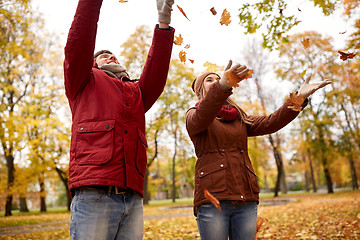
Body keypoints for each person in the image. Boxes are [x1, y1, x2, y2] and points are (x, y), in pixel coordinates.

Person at [63, 0, 175, 239]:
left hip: (132, 197)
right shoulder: (83, 80)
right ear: (92, 64)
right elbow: (79, 41)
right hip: (94, 193)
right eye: (103, 56)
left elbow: (156, 71)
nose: (110, 55)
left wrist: (163, 22)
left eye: (112, 54)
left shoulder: (135, 92)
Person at [185, 60, 332, 240]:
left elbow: (271, 122)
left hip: (245, 197)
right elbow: (204, 114)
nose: (216, 80)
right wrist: (222, 85)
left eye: (218, 78)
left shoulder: (239, 118)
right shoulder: (193, 115)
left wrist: (299, 98)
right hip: (212, 200)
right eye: (209, 80)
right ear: (199, 90)